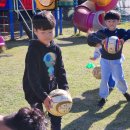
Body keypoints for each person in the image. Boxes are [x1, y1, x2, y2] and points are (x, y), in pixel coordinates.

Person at [22, 11, 69, 130]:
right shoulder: (33, 51)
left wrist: (64, 90)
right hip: (34, 89)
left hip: (51, 88)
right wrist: (43, 97)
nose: (47, 35)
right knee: (39, 120)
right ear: (35, 31)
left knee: (56, 116)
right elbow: (32, 76)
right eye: (43, 32)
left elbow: (60, 70)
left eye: (50, 32)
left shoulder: (56, 49)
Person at [87, 10, 130, 108]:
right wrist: (101, 41)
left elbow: (129, 32)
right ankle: (103, 97)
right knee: (104, 79)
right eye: (109, 21)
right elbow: (90, 39)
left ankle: (125, 92)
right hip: (105, 61)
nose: (111, 23)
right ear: (105, 22)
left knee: (119, 78)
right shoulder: (102, 32)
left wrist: (124, 39)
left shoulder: (120, 32)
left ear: (118, 21)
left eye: (114, 21)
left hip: (116, 61)